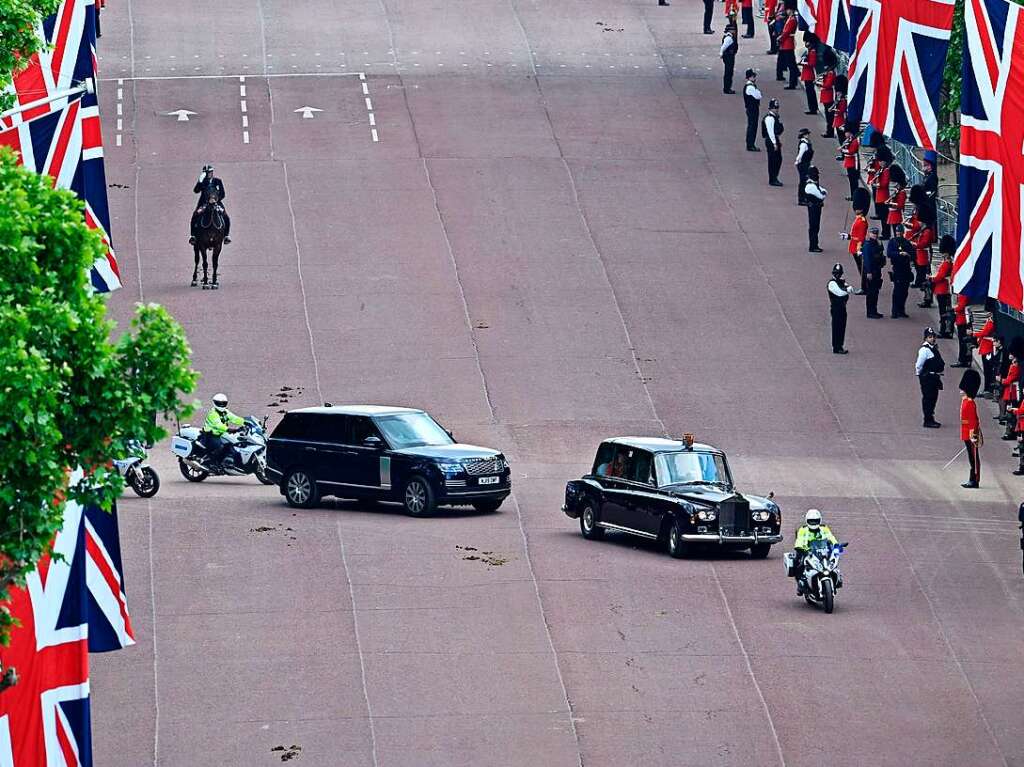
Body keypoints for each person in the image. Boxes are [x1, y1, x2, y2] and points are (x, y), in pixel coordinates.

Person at [791, 509, 838, 594]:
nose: (813, 523)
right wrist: (800, 547)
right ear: (807, 521)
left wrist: (836, 545)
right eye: (811, 521)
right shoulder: (803, 530)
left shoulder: (824, 529)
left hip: (822, 551)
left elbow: (831, 537)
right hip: (807, 551)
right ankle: (800, 584)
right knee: (799, 563)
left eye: (815, 521)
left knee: (832, 562)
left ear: (819, 520)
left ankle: (836, 580)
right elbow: (799, 540)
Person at [201, 392, 245, 467]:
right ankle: (209, 461)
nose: (221, 405)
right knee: (221, 446)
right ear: (215, 403)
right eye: (219, 403)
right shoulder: (213, 413)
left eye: (223, 403)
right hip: (210, 436)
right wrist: (229, 429)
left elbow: (234, 418)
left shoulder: (225, 412)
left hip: (221, 434)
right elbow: (218, 425)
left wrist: (246, 422)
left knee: (232, 443)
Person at [190, 164, 230, 245]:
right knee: (195, 215)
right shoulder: (203, 182)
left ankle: (226, 236)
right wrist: (199, 181)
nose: (209, 174)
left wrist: (215, 200)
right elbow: (196, 191)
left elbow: (222, 194)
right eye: (207, 172)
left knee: (225, 216)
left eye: (210, 172)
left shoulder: (217, 181)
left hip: (216, 203)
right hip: (204, 204)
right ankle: (193, 236)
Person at [917, 327, 944, 428]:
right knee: (928, 398)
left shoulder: (933, 348)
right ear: (925, 338)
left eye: (933, 337)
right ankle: (927, 420)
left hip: (934, 377)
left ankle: (931, 417)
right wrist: (921, 376)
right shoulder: (924, 350)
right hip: (928, 378)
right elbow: (919, 365)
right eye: (930, 337)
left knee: (933, 398)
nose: (932, 339)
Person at [959, 369, 982, 488]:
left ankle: (974, 479)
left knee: (973, 457)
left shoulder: (970, 403)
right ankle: (972, 478)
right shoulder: (966, 401)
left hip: (970, 433)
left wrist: (973, 436)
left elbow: (973, 420)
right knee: (971, 457)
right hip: (966, 432)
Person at [827, 263, 854, 353]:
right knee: (836, 327)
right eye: (836, 273)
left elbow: (849, 287)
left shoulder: (841, 281)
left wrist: (848, 288)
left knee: (842, 327)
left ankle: (840, 345)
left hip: (842, 307)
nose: (838, 275)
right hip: (836, 308)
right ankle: (836, 346)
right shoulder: (832, 283)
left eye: (839, 273)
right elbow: (839, 293)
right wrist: (847, 290)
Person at [931, 239, 954, 338]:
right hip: (944, 289)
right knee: (946, 312)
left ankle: (944, 330)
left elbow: (940, 277)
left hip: (942, 290)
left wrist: (932, 278)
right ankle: (946, 330)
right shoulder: (948, 262)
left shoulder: (946, 263)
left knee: (943, 312)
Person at [861, 227, 885, 318]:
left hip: (877, 270)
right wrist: (869, 272)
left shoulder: (877, 244)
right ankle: (870, 312)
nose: (875, 235)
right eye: (873, 234)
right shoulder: (868, 245)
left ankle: (874, 310)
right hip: (871, 271)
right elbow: (867, 260)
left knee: (875, 292)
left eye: (876, 234)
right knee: (871, 292)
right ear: (870, 234)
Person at [888, 235, 913, 318]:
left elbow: (913, 254)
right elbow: (889, 253)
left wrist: (907, 254)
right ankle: (894, 311)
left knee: (904, 292)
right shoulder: (892, 242)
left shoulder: (906, 242)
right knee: (897, 291)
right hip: (897, 268)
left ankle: (901, 310)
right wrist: (899, 253)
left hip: (906, 269)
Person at [762, 98, 784, 186]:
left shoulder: (774, 117)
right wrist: (774, 143)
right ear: (771, 108)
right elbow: (771, 132)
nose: (777, 109)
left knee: (778, 159)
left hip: (774, 139)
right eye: (775, 108)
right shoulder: (770, 118)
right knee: (773, 160)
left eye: (777, 108)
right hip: (771, 140)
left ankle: (775, 177)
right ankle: (773, 178)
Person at [872, 148, 892, 238]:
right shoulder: (881, 170)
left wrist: (876, 185)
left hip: (884, 196)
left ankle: (886, 233)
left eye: (881, 161)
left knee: (884, 217)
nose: (879, 162)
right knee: (882, 216)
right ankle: (884, 232)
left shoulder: (886, 171)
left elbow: (884, 183)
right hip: (880, 196)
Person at [805, 166, 826, 252]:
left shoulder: (813, 184)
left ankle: (814, 244)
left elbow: (823, 191)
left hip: (816, 207)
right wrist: (823, 193)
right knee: (814, 227)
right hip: (814, 208)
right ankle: (813, 246)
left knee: (815, 227)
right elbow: (822, 196)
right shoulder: (811, 186)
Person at [973, 316, 996, 395]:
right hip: (986, 348)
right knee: (987, 370)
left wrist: (974, 334)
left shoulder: (991, 322)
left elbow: (985, 332)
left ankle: (988, 389)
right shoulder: (990, 320)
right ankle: (987, 389)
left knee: (988, 370)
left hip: (988, 349)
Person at [778, 10, 800, 88]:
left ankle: (792, 84)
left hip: (788, 44)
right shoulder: (790, 18)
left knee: (791, 66)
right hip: (786, 43)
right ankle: (793, 82)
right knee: (791, 65)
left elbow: (787, 32)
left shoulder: (792, 20)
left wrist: (780, 39)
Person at [951, 295, 973, 368]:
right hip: (963, 320)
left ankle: (963, 360)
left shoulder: (963, 295)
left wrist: (954, 309)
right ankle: (967, 360)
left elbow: (961, 307)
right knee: (966, 342)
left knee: (963, 342)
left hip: (962, 321)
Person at [839, 125, 860, 200]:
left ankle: (855, 196)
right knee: (851, 181)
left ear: (850, 133)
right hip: (849, 162)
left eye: (846, 132)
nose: (845, 134)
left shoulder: (854, 141)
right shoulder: (849, 140)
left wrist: (842, 150)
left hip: (853, 163)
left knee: (853, 181)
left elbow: (851, 151)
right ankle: (853, 195)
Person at [743, 70, 762, 151]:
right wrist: (758, 92)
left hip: (751, 108)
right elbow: (758, 96)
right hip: (752, 109)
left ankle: (750, 143)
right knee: (752, 126)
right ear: (750, 77)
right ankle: (750, 144)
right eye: (753, 76)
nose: (755, 78)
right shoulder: (750, 87)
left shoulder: (750, 86)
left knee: (752, 126)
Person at [794, 128, 814, 205]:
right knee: (803, 181)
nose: (808, 135)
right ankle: (801, 199)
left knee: (804, 180)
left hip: (805, 163)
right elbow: (800, 154)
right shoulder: (804, 144)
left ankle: (804, 198)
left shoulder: (806, 142)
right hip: (803, 164)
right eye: (807, 134)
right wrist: (797, 161)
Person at [721, 20, 739, 94]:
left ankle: (727, 87)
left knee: (729, 72)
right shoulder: (729, 38)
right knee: (728, 72)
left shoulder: (730, 37)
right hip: (729, 56)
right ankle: (727, 88)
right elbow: (723, 47)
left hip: (729, 56)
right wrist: (721, 54)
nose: (734, 31)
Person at [800, 47, 818, 114]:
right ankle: (812, 108)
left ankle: (813, 109)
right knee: (809, 93)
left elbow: (812, 64)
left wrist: (804, 63)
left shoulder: (812, 52)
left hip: (809, 76)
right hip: (807, 75)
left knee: (810, 93)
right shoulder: (808, 51)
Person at [819, 64, 836, 137]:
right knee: (828, 115)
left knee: (829, 116)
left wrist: (820, 84)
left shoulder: (831, 73)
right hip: (826, 95)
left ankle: (830, 132)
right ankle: (829, 131)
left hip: (828, 96)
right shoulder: (829, 72)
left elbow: (828, 84)